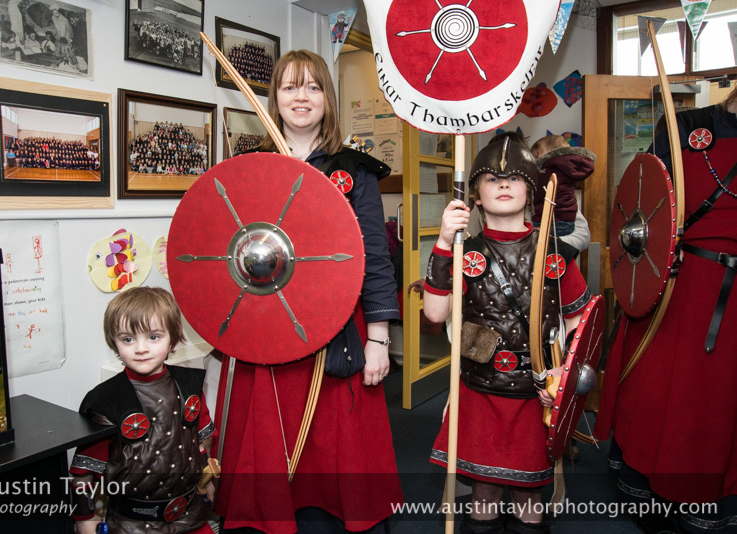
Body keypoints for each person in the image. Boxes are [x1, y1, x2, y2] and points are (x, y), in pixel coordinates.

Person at [213, 49, 402, 534]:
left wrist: (379, 338)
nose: (301, 97)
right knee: (270, 438)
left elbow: (374, 258)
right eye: (290, 86)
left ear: (327, 99)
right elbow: (225, 250)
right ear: (275, 97)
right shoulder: (252, 167)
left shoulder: (354, 170)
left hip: (336, 325)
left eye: (313, 87)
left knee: (338, 441)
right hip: (266, 326)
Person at [424, 132, 592, 534]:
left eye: (515, 177)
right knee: (483, 494)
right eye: (492, 177)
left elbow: (578, 322)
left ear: (531, 191)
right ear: (476, 195)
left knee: (528, 497)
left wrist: (562, 374)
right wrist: (446, 241)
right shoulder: (465, 252)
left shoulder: (554, 253)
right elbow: (434, 312)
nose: (503, 183)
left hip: (535, 396)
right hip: (481, 391)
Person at [594, 87, 737, 533]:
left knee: (719, 406)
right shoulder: (687, 127)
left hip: (732, 306)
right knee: (657, 394)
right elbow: (642, 206)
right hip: (678, 286)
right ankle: (648, 494)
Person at [69, 287, 216, 534]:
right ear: (113, 341)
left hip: (191, 516)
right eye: (128, 339)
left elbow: (198, 443)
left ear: (173, 336)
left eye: (153, 337)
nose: (140, 348)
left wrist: (206, 479)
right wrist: (84, 518)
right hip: (131, 524)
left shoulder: (190, 386)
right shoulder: (106, 401)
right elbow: (83, 472)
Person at [529, 135, 595, 237]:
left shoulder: (549, 172)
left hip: (551, 220)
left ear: (549, 154)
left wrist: (528, 193)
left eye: (537, 156)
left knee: (545, 247)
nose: (535, 162)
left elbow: (539, 193)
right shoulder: (566, 168)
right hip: (567, 220)